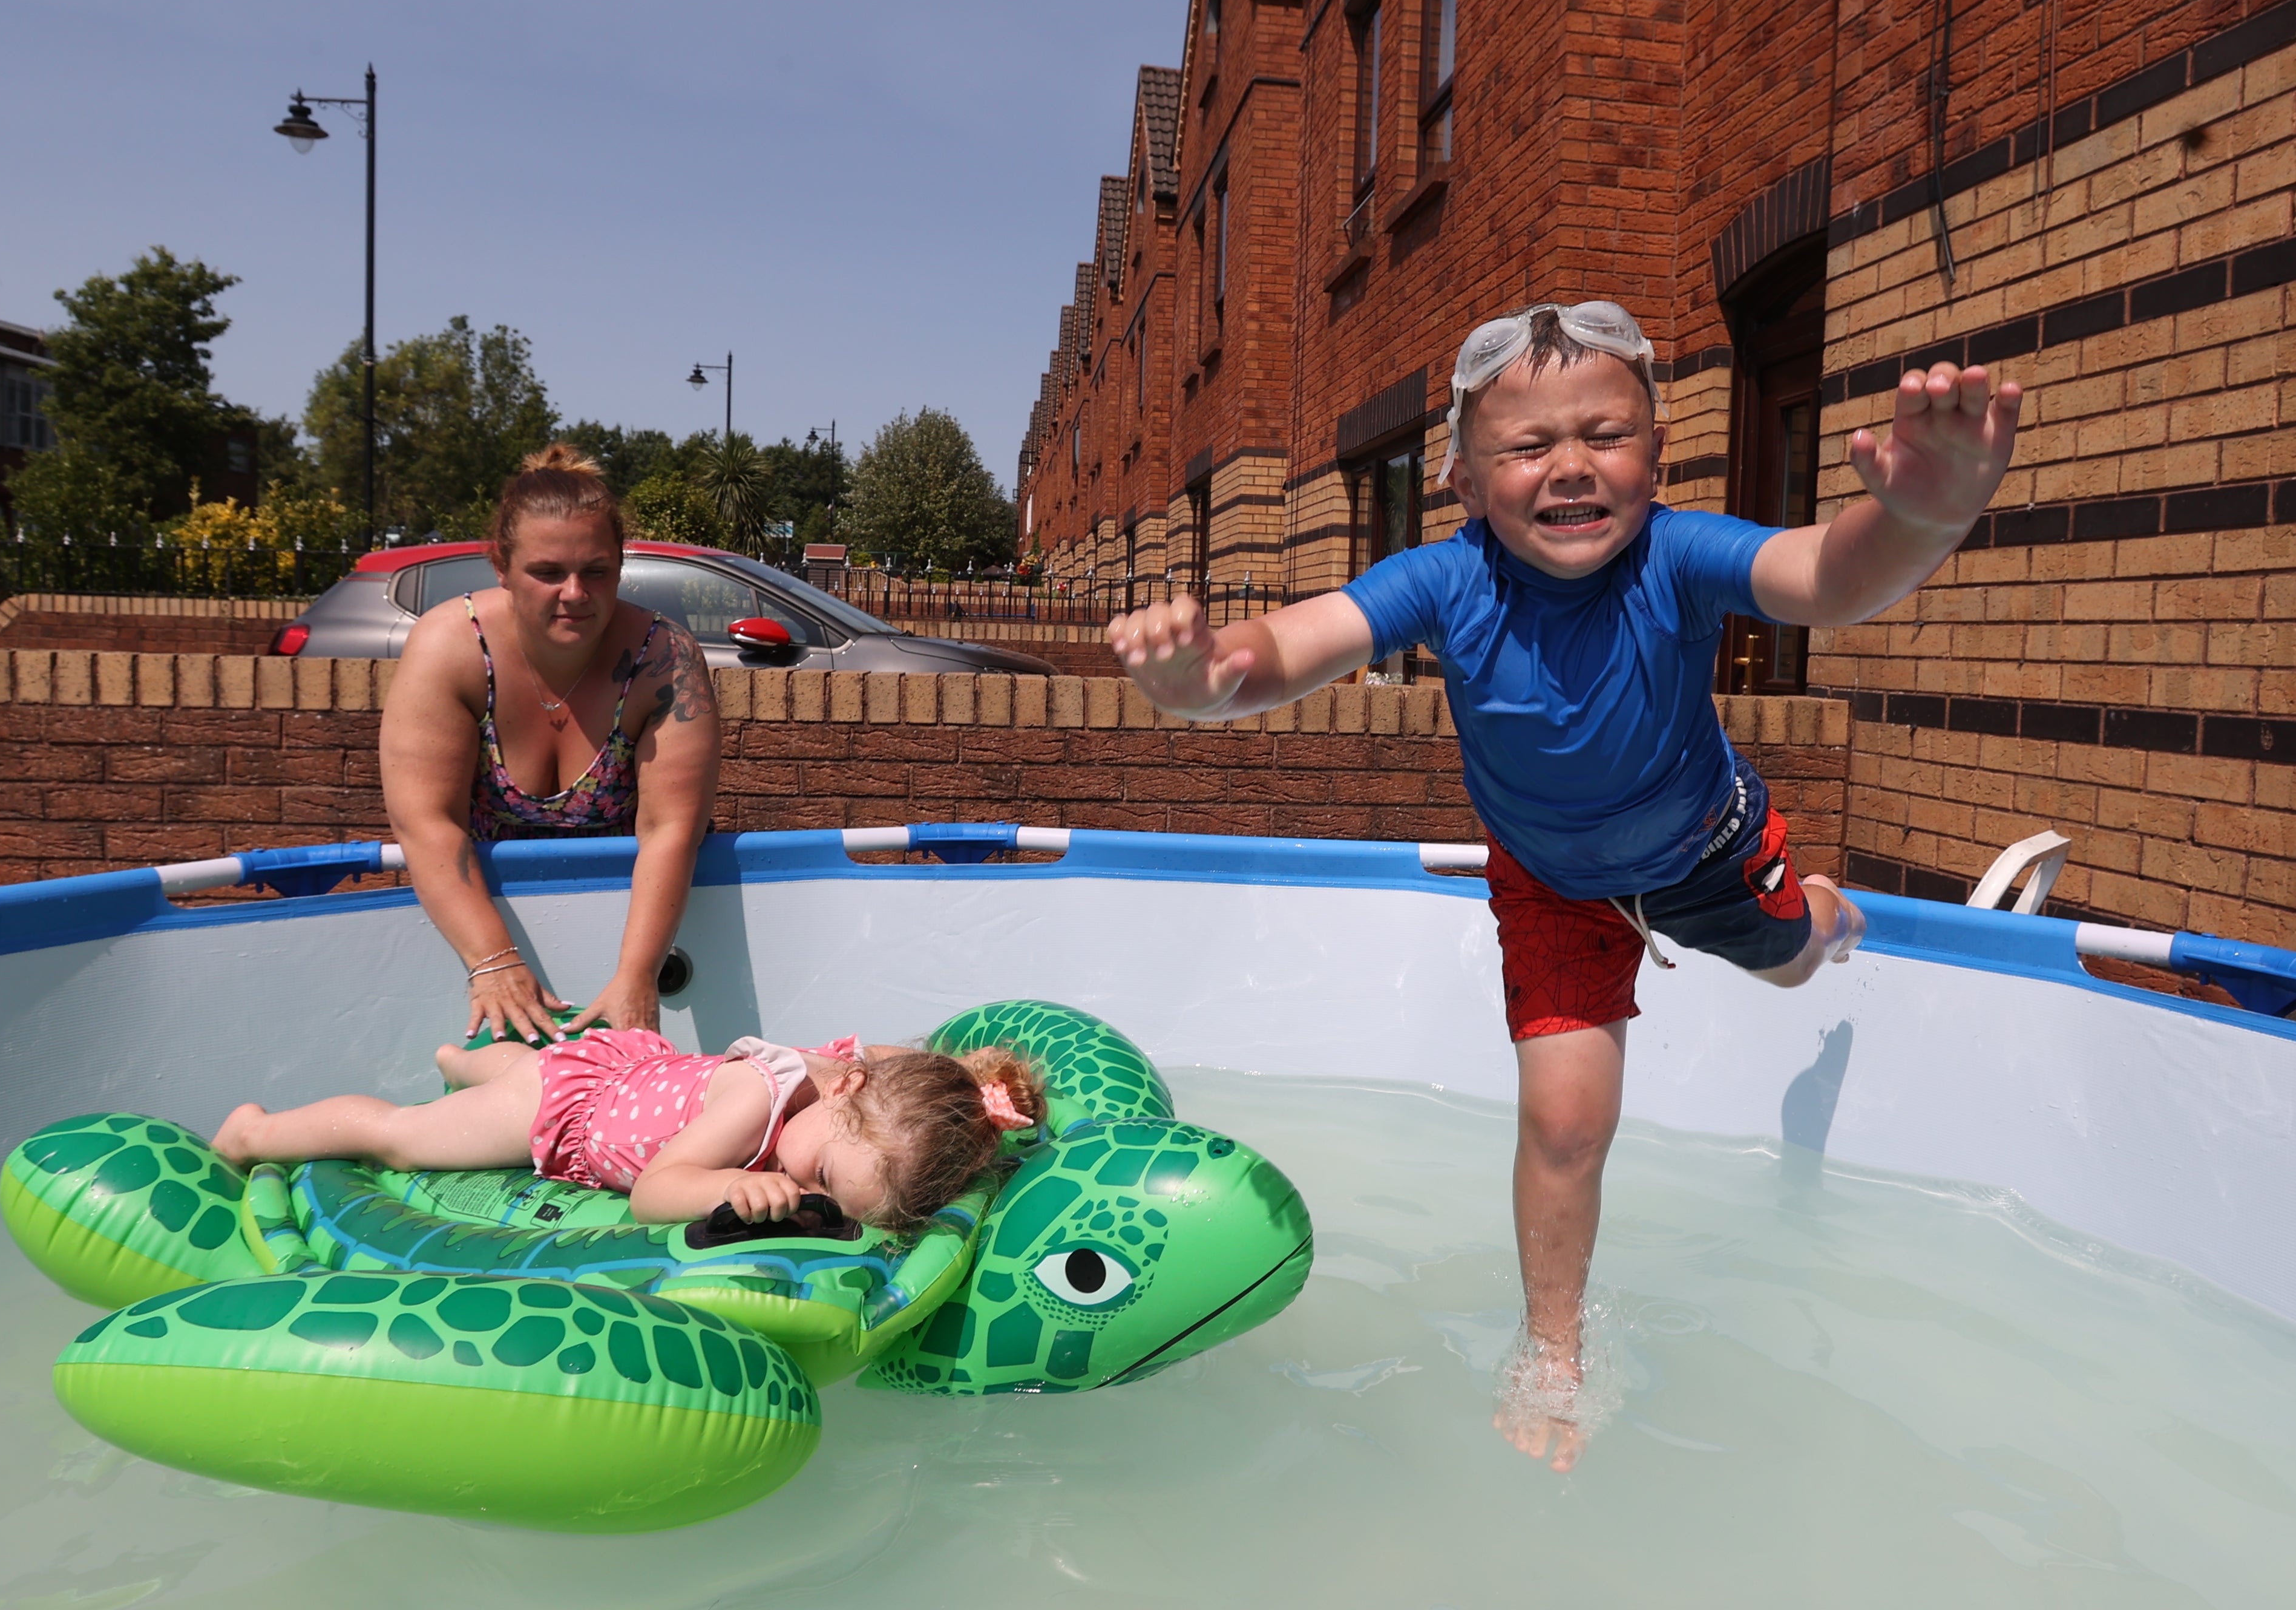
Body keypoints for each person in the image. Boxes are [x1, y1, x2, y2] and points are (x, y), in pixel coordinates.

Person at [1106, 299, 2022, 1471]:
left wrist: (1922, 512)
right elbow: (1285, 650)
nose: (1572, 467)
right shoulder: (1442, 581)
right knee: (1566, 1119)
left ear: (1658, 445)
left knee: (1798, 957)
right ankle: (1554, 1350)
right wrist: (1204, 681)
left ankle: (1830, 906)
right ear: (1463, 473)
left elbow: (1824, 576)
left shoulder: (1678, 558)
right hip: (1553, 888)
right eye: (1530, 446)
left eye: (1606, 433)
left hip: (1711, 852)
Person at [379, 445, 720, 1039]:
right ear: (500, 565)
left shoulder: (664, 660)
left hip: (632, 930)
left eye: (596, 570)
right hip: (484, 930)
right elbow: (426, 823)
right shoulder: (449, 649)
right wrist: (494, 960)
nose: (575, 592)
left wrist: (637, 974)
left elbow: (671, 828)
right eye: (547, 572)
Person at [214, 1030, 1045, 1231]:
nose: (808, 1193)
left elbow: (905, 1068)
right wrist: (731, 1185)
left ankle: (461, 1057)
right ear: (846, 1091)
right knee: (405, 1134)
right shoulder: (761, 1103)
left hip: (625, 1071)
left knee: (507, 1071)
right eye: (822, 1171)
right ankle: (253, 1133)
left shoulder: (861, 1094)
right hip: (573, 1113)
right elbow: (654, 1193)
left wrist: (980, 1119)